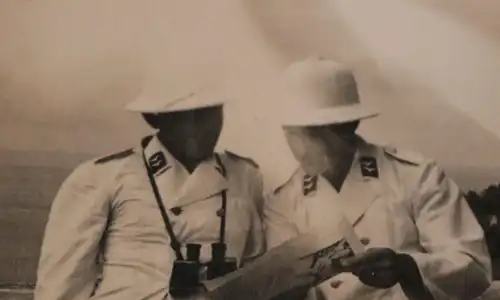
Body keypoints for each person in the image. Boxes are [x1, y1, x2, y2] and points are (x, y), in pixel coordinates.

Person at [263, 56, 492, 300]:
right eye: (291, 132)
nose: (299, 147)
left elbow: (473, 268)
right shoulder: (283, 201)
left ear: (347, 127)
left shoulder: (415, 176)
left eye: (312, 132)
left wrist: (407, 267)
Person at [34, 81, 265, 300]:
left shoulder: (245, 177)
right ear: (155, 119)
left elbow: (259, 274)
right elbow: (61, 288)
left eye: (209, 112)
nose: (199, 126)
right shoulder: (101, 179)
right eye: (185, 115)